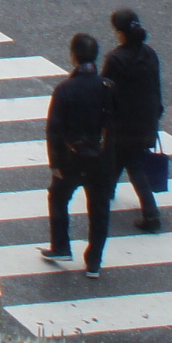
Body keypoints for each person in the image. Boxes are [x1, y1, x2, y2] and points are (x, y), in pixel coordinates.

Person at [39, 31, 118, 277]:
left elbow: (54, 129)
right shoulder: (108, 87)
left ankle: (61, 246)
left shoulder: (65, 89)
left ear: (73, 56)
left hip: (72, 158)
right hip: (102, 158)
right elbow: (115, 124)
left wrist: (55, 162)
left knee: (59, 197)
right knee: (100, 208)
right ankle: (94, 260)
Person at [103, 8, 168, 234]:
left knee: (133, 165)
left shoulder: (115, 59)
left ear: (120, 33)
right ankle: (107, 190)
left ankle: (151, 214)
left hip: (123, 124)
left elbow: (106, 91)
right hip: (146, 121)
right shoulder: (149, 54)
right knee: (122, 158)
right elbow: (156, 88)